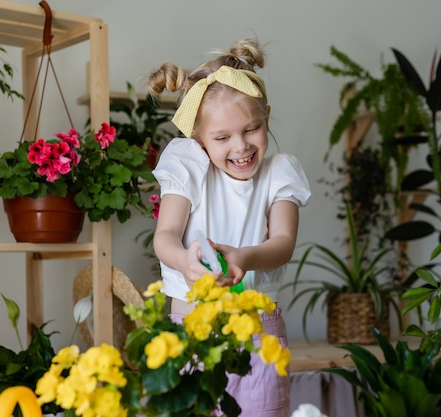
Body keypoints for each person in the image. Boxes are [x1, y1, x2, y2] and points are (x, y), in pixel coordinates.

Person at [148, 38, 311, 417]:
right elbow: (166, 237)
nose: (241, 146)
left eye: (251, 129)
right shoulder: (189, 166)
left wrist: (244, 257)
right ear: (199, 139)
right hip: (192, 328)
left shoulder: (279, 173)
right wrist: (184, 261)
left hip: (259, 333)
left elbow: (284, 242)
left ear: (266, 117)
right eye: (222, 138)